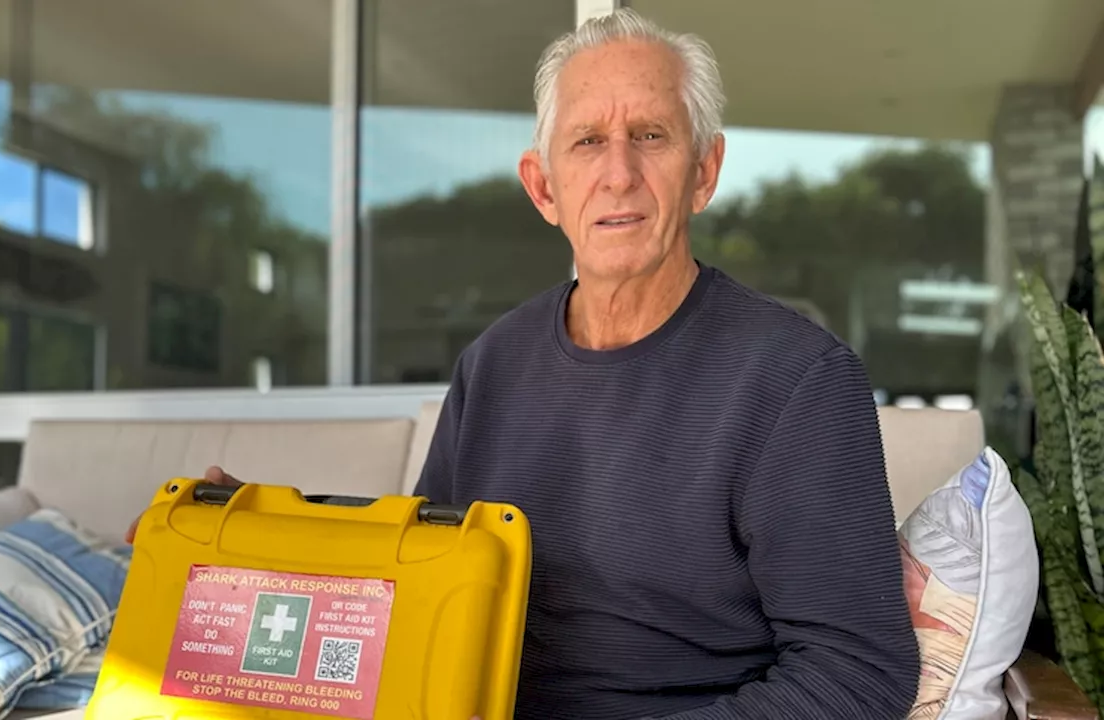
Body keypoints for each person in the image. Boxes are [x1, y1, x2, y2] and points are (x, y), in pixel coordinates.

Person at [129, 8, 920, 719]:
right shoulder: (494, 364)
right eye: (587, 141)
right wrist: (258, 540)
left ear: (703, 172)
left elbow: (857, 672)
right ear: (544, 188)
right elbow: (416, 583)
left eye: (651, 135)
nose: (619, 172)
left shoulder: (798, 379)